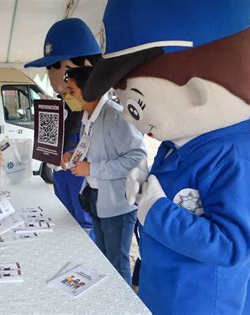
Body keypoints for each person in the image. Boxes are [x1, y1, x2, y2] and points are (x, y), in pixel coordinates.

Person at [83, 0, 250, 313]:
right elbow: (164, 200)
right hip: (165, 294)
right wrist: (142, 191)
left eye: (136, 104)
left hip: (206, 304)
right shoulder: (174, 145)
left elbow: (231, 245)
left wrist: (156, 211)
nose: (130, 118)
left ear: (196, 91)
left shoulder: (236, 160)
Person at [62, 67, 146, 285]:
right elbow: (90, 149)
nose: (67, 94)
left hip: (118, 203)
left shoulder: (116, 115)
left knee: (117, 264)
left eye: (71, 89)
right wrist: (73, 156)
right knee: (102, 260)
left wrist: (92, 169)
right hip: (96, 197)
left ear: (89, 89)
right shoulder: (88, 115)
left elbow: (137, 158)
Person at [24, 18, 102, 229]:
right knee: (66, 219)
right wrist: (48, 153)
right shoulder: (61, 105)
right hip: (62, 177)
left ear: (86, 65)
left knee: (88, 223)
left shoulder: (105, 110)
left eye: (59, 67)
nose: (53, 76)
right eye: (50, 68)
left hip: (89, 181)